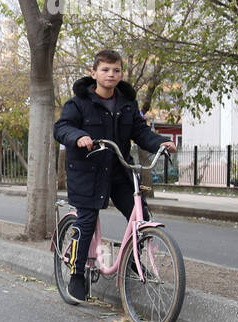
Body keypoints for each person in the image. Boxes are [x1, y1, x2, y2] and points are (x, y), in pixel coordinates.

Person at [53, 49, 176, 302]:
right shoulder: (78, 103)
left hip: (119, 172)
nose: (111, 74)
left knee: (140, 214)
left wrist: (161, 143)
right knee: (86, 221)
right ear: (94, 73)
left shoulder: (127, 104)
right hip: (87, 173)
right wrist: (78, 137)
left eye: (116, 70)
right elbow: (62, 127)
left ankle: (134, 262)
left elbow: (141, 133)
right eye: (105, 70)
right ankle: (77, 274)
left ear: (121, 74)